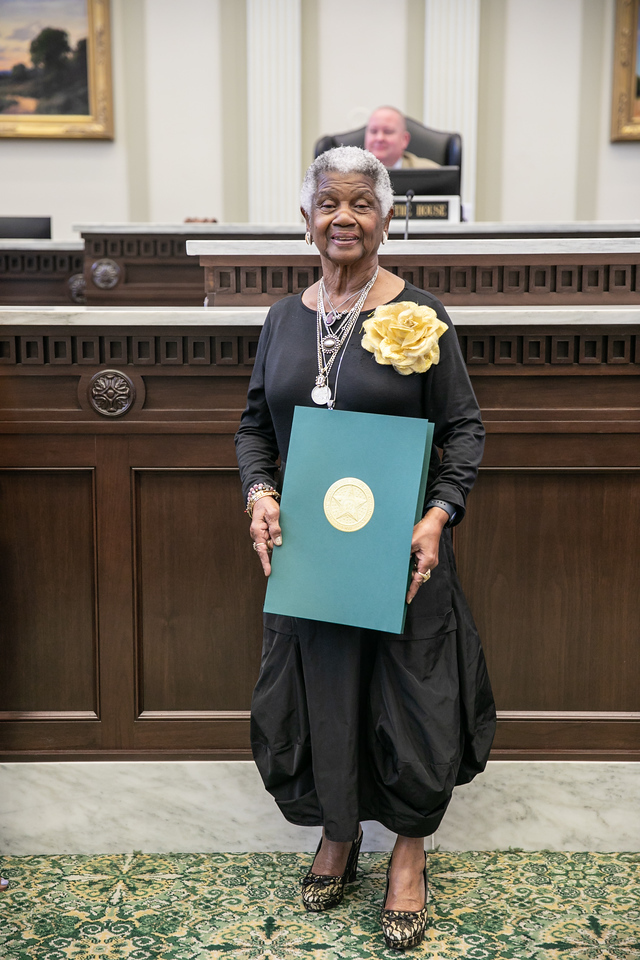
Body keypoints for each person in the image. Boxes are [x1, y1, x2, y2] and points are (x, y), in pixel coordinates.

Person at [235, 145, 495, 951]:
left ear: (386, 219)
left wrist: (438, 515)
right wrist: (260, 493)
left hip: (401, 557)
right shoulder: (283, 319)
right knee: (325, 695)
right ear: (306, 216)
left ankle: (408, 855)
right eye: (328, 203)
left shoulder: (420, 314)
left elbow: (464, 430)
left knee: (413, 701)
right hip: (314, 557)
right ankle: (339, 834)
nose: (343, 217)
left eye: (361, 204)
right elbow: (254, 428)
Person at [364, 106, 440, 170]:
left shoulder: (430, 172)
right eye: (373, 131)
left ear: (404, 139)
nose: (379, 138)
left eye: (388, 132)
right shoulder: (356, 172)